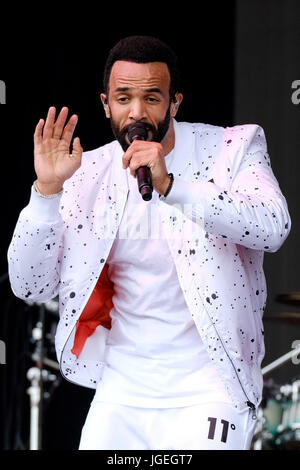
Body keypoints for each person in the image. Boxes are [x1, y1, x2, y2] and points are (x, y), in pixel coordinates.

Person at [7, 36, 291, 450]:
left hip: (209, 389)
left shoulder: (231, 149)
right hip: (122, 391)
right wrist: (46, 192)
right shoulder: (86, 174)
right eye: (123, 98)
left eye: (152, 98)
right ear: (106, 104)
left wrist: (172, 186)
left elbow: (272, 226)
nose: (136, 112)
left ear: (174, 103)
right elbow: (29, 286)